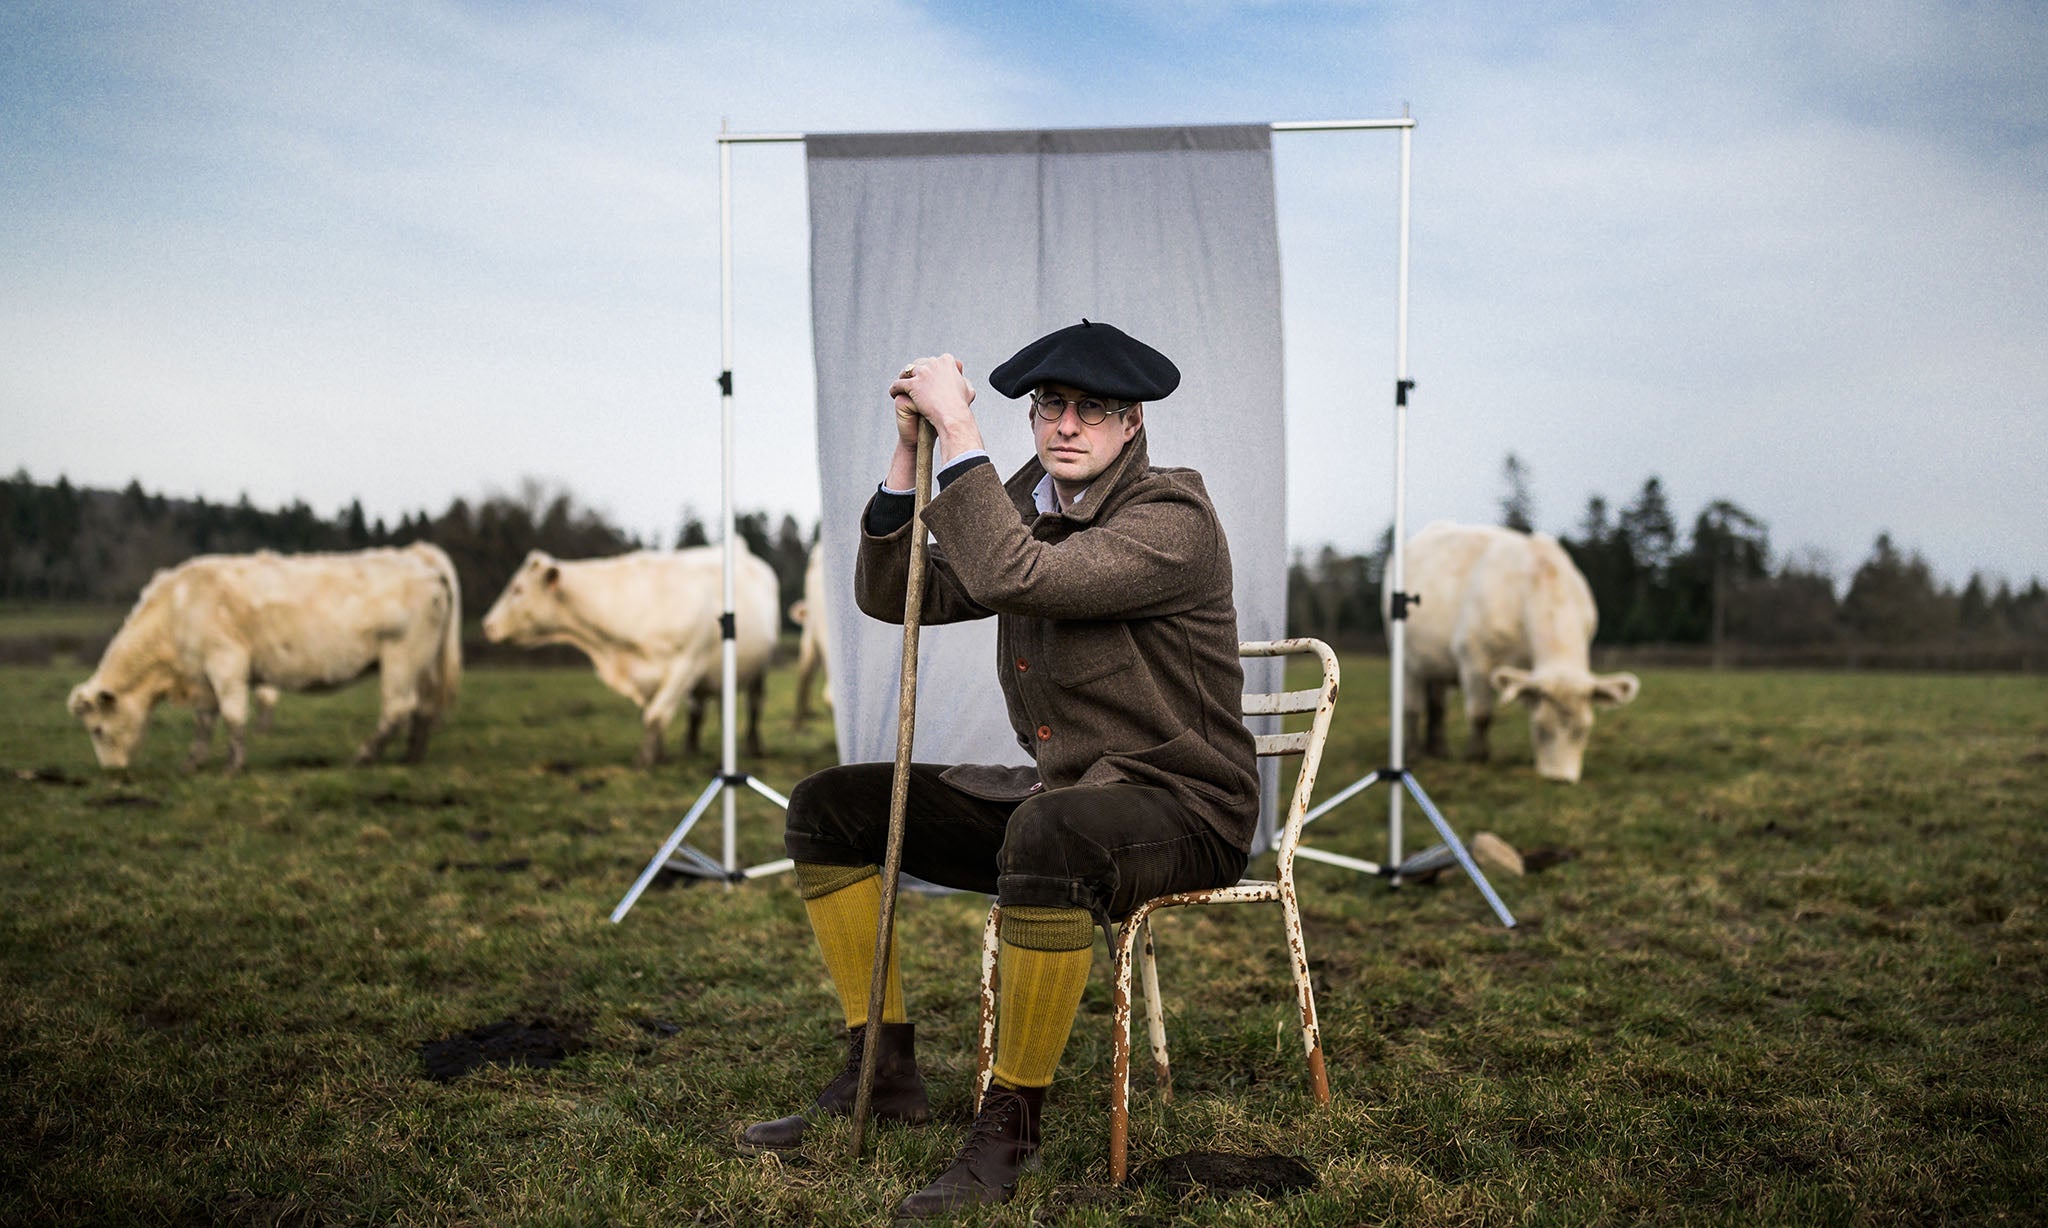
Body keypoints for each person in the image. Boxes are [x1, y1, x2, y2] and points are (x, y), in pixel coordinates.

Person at [742, 320, 1259, 1217]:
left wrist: (963, 438)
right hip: (1064, 802)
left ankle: (1008, 1130)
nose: (1066, 424)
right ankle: (882, 1073)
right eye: (1049, 406)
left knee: (1048, 832)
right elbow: (894, 594)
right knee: (829, 806)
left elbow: (1018, 577)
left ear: (1131, 424)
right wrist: (911, 453)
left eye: (1092, 410)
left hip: (1183, 811)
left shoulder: (1171, 518)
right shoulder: (1030, 504)